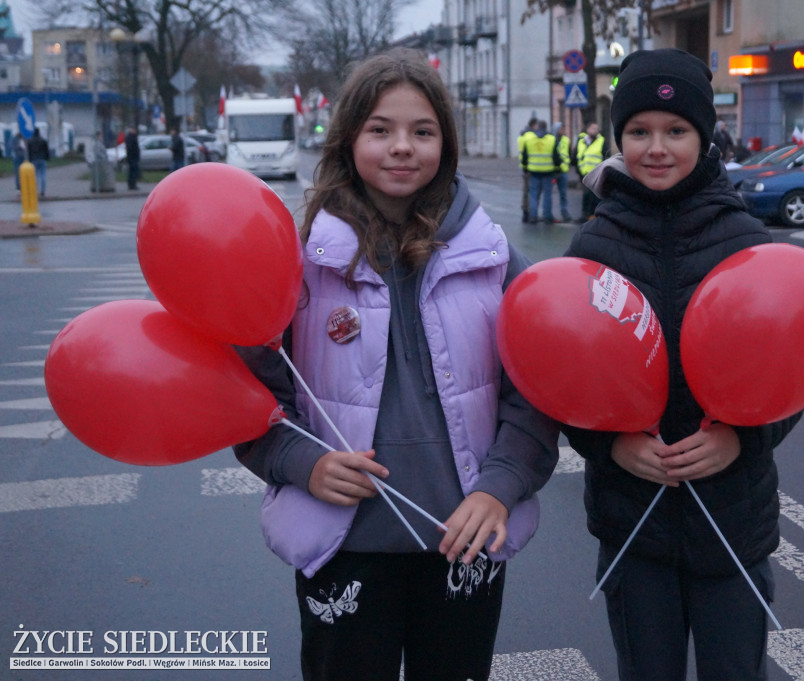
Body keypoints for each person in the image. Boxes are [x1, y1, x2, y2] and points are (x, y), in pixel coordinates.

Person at [232, 48, 559, 681]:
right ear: (349, 137)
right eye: (380, 129)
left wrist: (500, 487)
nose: (401, 147)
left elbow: (537, 392)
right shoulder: (297, 262)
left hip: (463, 541)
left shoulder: (492, 257)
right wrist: (305, 462)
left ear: (447, 143)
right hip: (344, 547)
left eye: (422, 131)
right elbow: (250, 395)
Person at [561, 48, 802, 681]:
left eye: (676, 131)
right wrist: (608, 445)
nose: (656, 147)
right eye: (638, 131)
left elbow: (790, 373)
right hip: (633, 525)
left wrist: (742, 438)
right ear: (619, 139)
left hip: (732, 519)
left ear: (705, 136)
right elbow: (560, 377)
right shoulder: (591, 247)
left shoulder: (745, 240)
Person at [520, 119, 557, 223]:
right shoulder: (551, 139)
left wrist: (525, 169)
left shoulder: (529, 139)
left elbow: (524, 157)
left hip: (534, 171)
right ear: (546, 127)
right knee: (547, 195)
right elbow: (556, 156)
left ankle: (533, 216)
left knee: (533, 195)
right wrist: (557, 168)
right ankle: (547, 216)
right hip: (548, 171)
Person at [575, 120, 608, 221]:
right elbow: (577, 156)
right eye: (593, 128)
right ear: (587, 129)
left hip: (597, 174)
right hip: (584, 174)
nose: (596, 130)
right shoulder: (581, 141)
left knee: (596, 196)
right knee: (586, 196)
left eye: (597, 129)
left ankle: (595, 216)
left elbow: (606, 157)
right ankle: (585, 215)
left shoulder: (602, 141)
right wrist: (579, 171)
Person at [516, 118, 538, 221]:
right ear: (534, 126)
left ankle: (525, 211)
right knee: (532, 191)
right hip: (532, 166)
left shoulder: (522, 136)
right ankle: (531, 212)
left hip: (524, 166)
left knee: (526, 191)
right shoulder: (531, 137)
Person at [551, 121, 573, 223]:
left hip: (563, 170)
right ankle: (549, 213)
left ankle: (564, 212)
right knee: (549, 193)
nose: (563, 131)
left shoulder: (566, 140)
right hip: (552, 170)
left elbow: (569, 154)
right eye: (561, 129)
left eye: (564, 129)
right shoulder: (551, 140)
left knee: (563, 194)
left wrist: (567, 165)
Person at [26, 128, 49, 197]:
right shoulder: (43, 140)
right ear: (39, 133)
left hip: (34, 159)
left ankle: (35, 190)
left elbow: (29, 151)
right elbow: (46, 150)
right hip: (42, 159)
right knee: (43, 175)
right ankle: (42, 191)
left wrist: (29, 160)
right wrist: (47, 158)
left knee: (35, 176)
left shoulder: (30, 141)